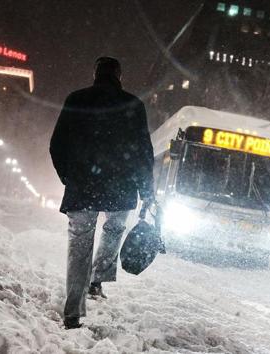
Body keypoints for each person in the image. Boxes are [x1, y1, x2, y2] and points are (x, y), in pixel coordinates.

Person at [50, 57, 154, 329]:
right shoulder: (133, 105)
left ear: (94, 73)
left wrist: (68, 177)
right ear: (120, 77)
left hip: (82, 188)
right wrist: (147, 192)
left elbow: (57, 144)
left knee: (79, 247)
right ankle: (97, 280)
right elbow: (144, 153)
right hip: (119, 191)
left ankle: (72, 312)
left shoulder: (77, 99)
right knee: (114, 229)